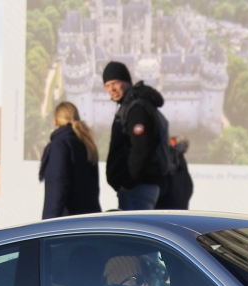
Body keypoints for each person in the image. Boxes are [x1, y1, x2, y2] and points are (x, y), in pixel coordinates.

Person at [102, 61, 165, 210]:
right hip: (138, 187)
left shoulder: (136, 109)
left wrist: (127, 181)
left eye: (115, 83)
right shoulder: (131, 105)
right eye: (107, 86)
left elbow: (141, 148)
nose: (112, 89)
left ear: (126, 81)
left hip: (137, 188)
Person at [39, 101, 101, 219]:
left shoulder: (59, 145)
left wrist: (47, 224)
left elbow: (58, 186)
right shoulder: (87, 144)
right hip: (90, 220)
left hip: (67, 224)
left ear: (55, 121)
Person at [155, 137, 193, 210]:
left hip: (164, 211)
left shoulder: (170, 163)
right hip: (179, 212)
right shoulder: (182, 167)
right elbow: (188, 190)